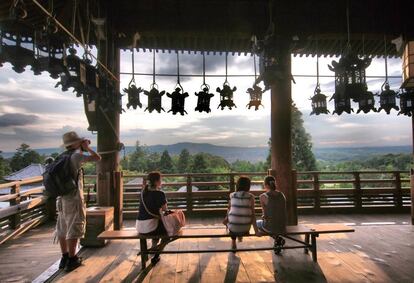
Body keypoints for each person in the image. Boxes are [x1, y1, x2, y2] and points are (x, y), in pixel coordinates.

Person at [55, 131, 101, 272]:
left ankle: (64, 257)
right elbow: (97, 158)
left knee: (62, 227)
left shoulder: (61, 157)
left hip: (61, 197)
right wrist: (87, 148)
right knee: (73, 227)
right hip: (73, 198)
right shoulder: (76, 156)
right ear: (75, 143)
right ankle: (72, 259)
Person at [136, 171, 169, 265]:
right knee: (168, 233)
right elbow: (165, 210)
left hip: (139, 226)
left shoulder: (143, 192)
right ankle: (156, 256)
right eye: (160, 180)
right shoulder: (160, 193)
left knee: (159, 225)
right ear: (156, 182)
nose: (161, 181)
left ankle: (154, 247)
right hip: (151, 227)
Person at [223, 176, 260, 250]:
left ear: (238, 185)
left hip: (233, 227)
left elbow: (229, 209)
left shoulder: (232, 195)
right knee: (244, 215)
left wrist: (226, 219)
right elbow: (253, 214)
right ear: (248, 186)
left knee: (230, 210)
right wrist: (256, 231)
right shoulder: (251, 197)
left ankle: (233, 242)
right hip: (245, 228)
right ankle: (240, 236)